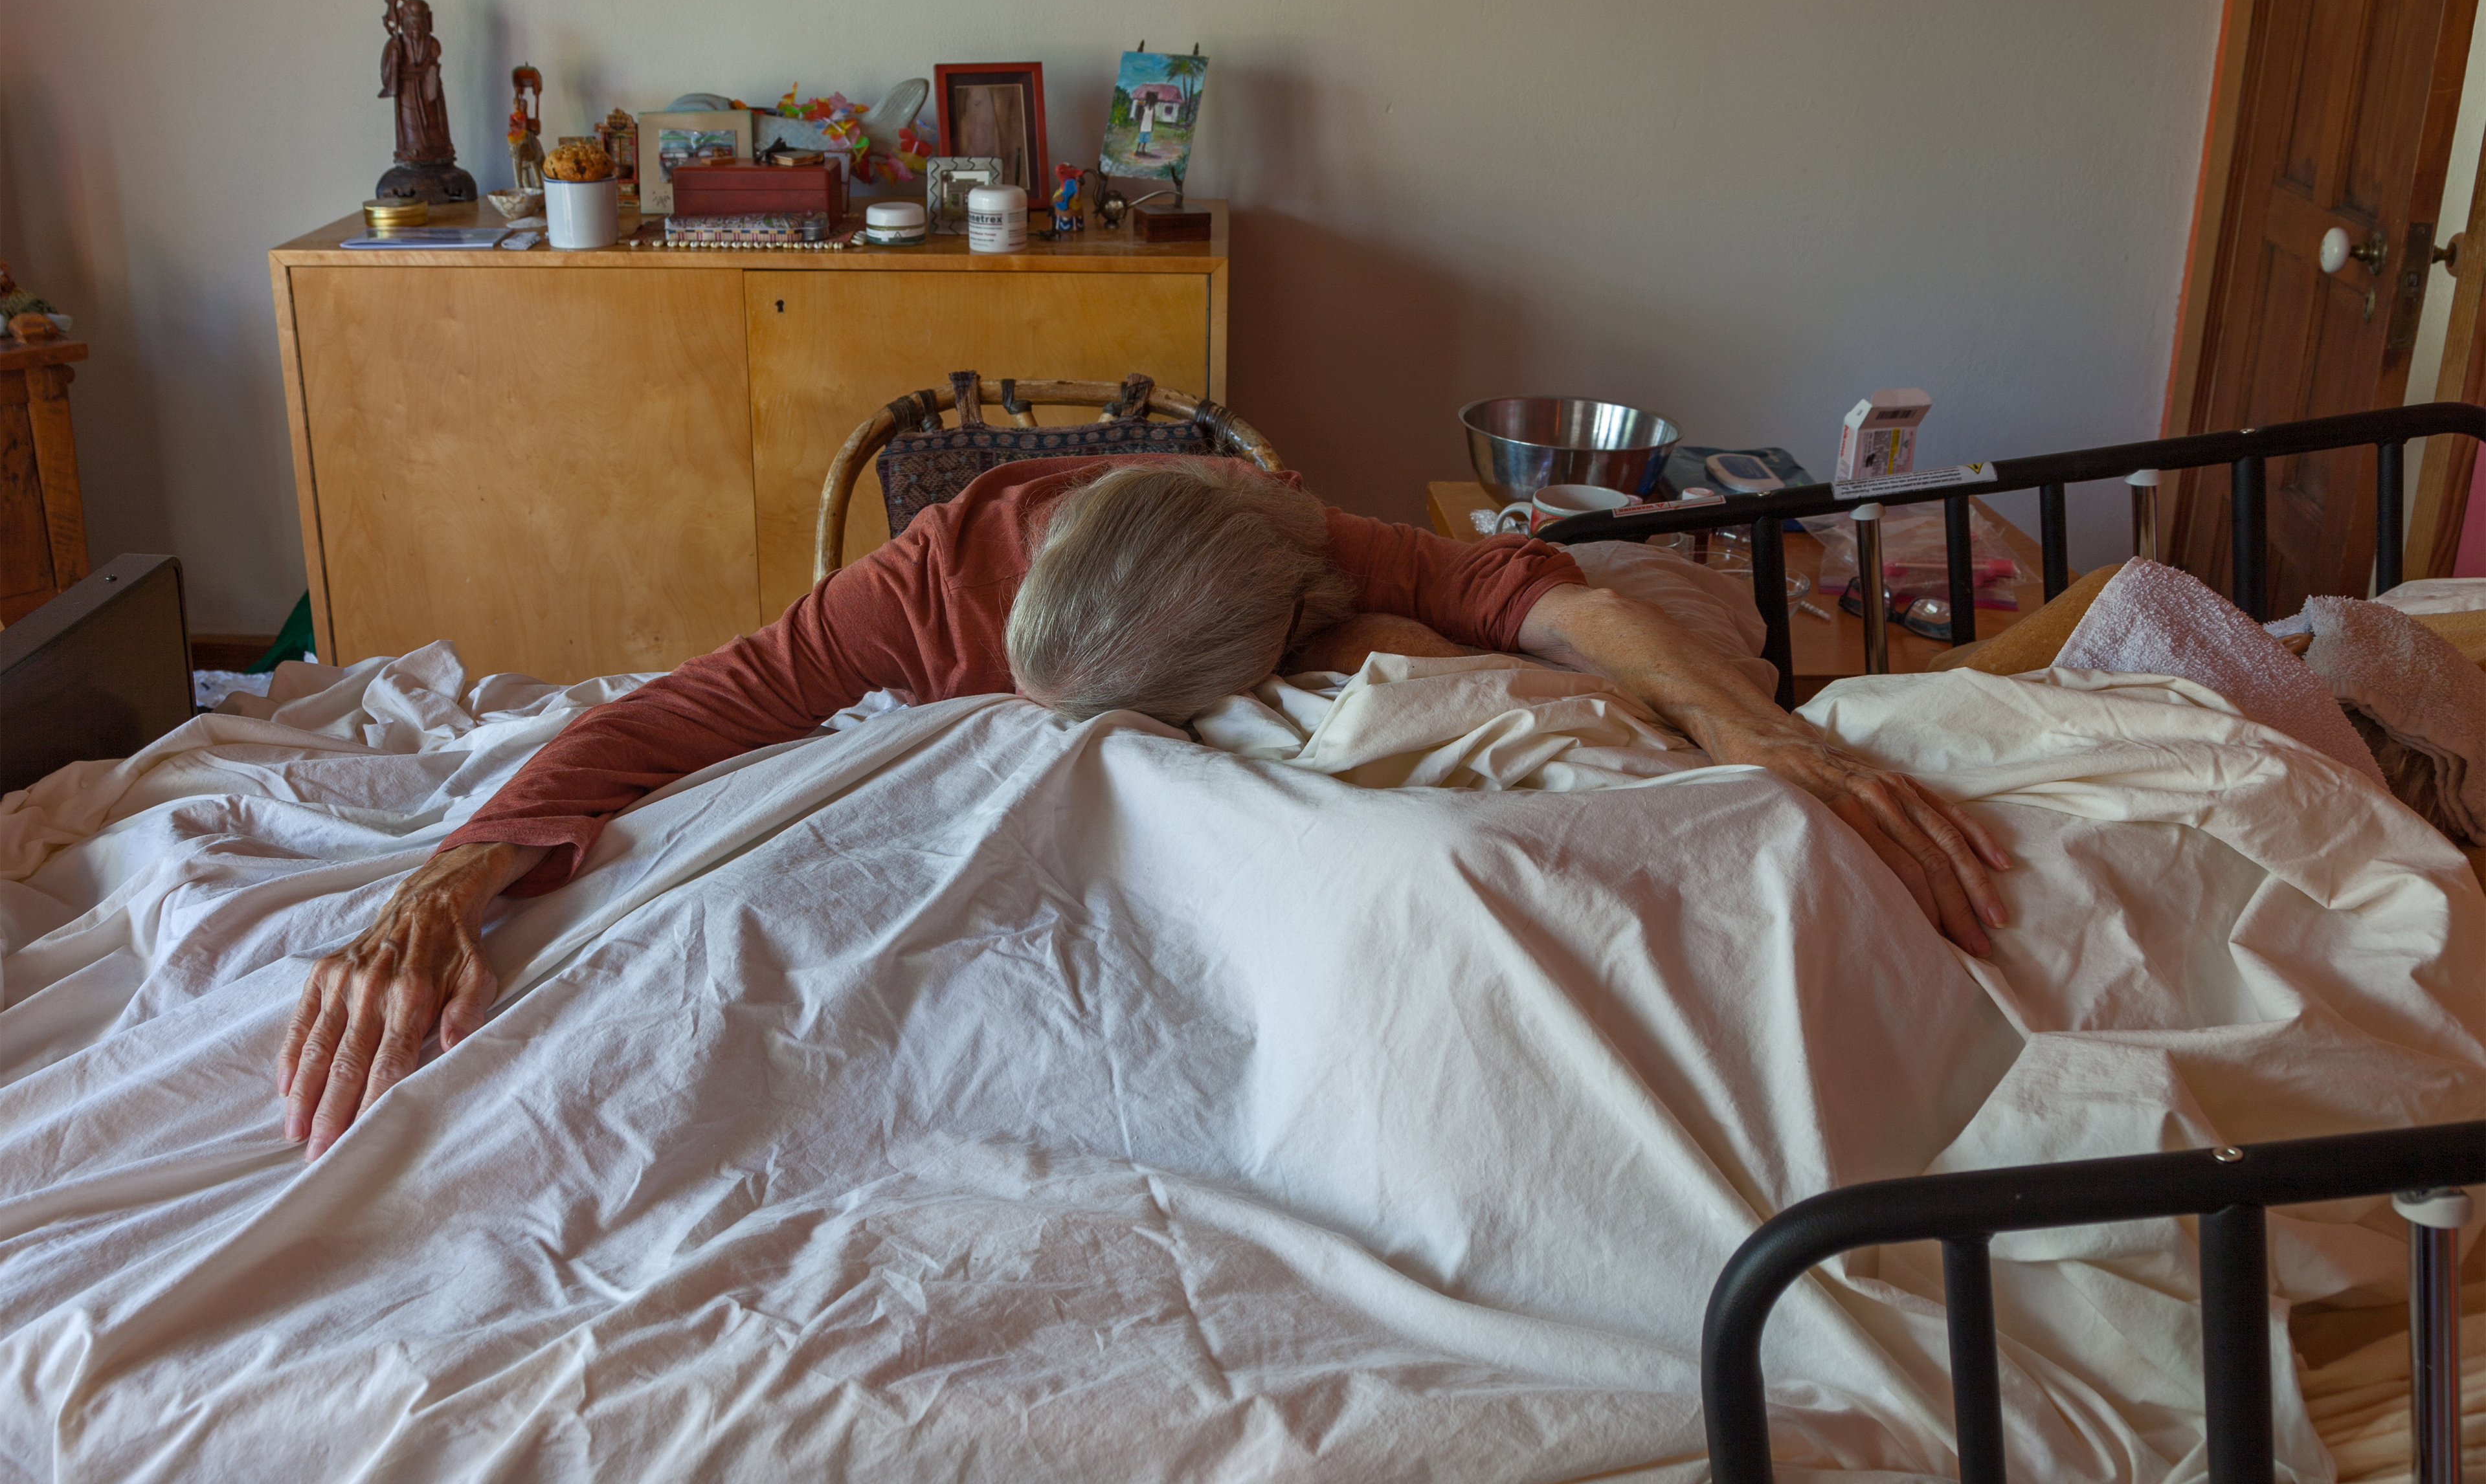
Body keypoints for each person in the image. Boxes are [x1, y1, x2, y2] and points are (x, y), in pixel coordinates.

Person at [279, 456, 2009, 1158]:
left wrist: (1768, 736)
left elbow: (1538, 596)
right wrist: (448, 878)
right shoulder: (919, 589)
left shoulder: (1299, 541)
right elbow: (673, 716)